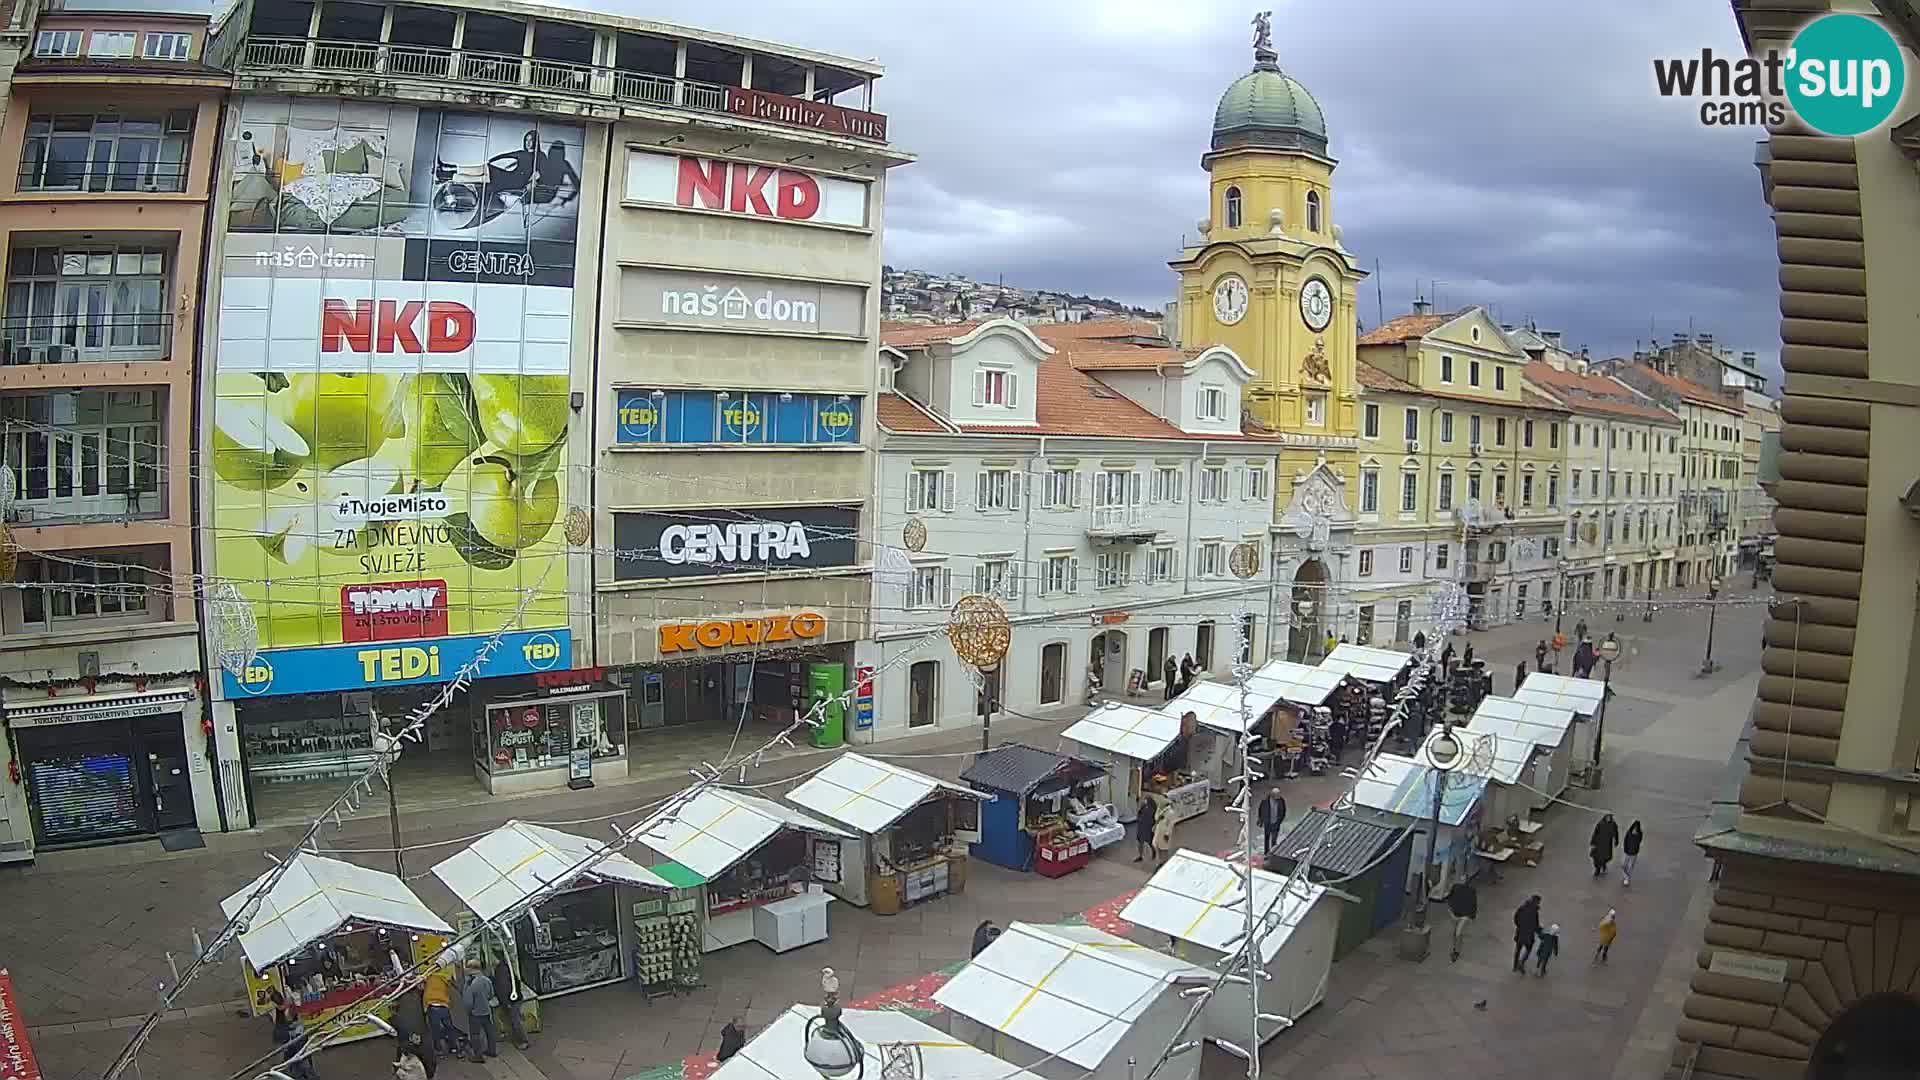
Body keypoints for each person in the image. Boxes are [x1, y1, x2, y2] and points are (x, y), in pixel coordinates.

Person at [267, 990, 320, 1080]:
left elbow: (296, 1021)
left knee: (300, 1063)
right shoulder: (280, 1009)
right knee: (295, 1063)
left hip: (295, 1039)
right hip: (290, 1040)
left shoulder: (287, 1008)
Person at [461, 957, 498, 1063]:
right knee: (489, 1032)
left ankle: (478, 1056)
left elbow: (468, 1002)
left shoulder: (470, 983)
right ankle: (492, 1050)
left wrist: (469, 1010)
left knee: (475, 1035)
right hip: (486, 1010)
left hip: (475, 1013)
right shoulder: (486, 980)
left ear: (471, 969)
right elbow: (491, 994)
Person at [423, 965, 460, 1059]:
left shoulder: (429, 977)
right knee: (449, 1027)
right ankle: (454, 1047)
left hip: (432, 1005)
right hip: (444, 1005)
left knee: (435, 1030)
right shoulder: (444, 978)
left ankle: (439, 1050)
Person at [493, 955, 529, 1051]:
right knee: (515, 1019)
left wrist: (506, 1002)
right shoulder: (506, 967)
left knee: (515, 1021)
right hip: (514, 998)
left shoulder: (501, 971)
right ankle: (519, 1039)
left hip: (512, 1000)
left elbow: (503, 988)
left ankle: (523, 1041)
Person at [1445, 880, 1477, 962]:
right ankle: (1456, 949)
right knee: (1457, 932)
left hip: (1464, 916)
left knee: (1458, 933)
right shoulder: (1456, 888)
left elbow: (1473, 905)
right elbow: (1448, 899)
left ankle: (1456, 952)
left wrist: (1471, 916)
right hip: (1457, 914)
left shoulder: (1468, 890)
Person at [1512, 895, 1542, 973]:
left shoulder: (1522, 908)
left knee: (1518, 949)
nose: (1539, 904)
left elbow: (1515, 918)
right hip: (1529, 934)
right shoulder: (1534, 912)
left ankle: (1515, 966)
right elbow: (1536, 925)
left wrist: (1519, 926)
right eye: (1538, 902)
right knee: (1528, 949)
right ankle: (1521, 962)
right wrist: (1539, 931)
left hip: (1520, 932)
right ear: (1536, 902)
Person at [1257, 789, 1287, 854]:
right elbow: (1261, 811)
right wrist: (1260, 820)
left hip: (1276, 823)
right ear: (1272, 795)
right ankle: (1266, 852)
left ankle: (1273, 852)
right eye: (1276, 796)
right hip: (1267, 823)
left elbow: (1283, 811)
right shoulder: (1265, 801)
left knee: (1274, 839)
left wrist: (1280, 820)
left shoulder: (1281, 801)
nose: (1277, 798)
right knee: (1267, 838)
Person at [1134, 795, 1159, 863]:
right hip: (1141, 827)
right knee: (1140, 843)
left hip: (1148, 828)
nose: (1144, 801)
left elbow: (1153, 818)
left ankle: (1154, 851)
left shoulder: (1152, 808)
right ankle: (1140, 856)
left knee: (1150, 842)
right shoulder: (1143, 806)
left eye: (1145, 800)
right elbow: (1139, 813)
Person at [1621, 820, 1644, 886]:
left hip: (1634, 853)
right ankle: (1626, 877)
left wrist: (1636, 849)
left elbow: (1639, 841)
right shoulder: (1628, 832)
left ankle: (1626, 879)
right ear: (1633, 826)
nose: (1635, 829)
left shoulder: (1640, 834)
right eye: (1634, 827)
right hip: (1627, 852)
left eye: (1637, 827)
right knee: (1623, 866)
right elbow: (1625, 841)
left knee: (1630, 867)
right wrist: (1625, 849)